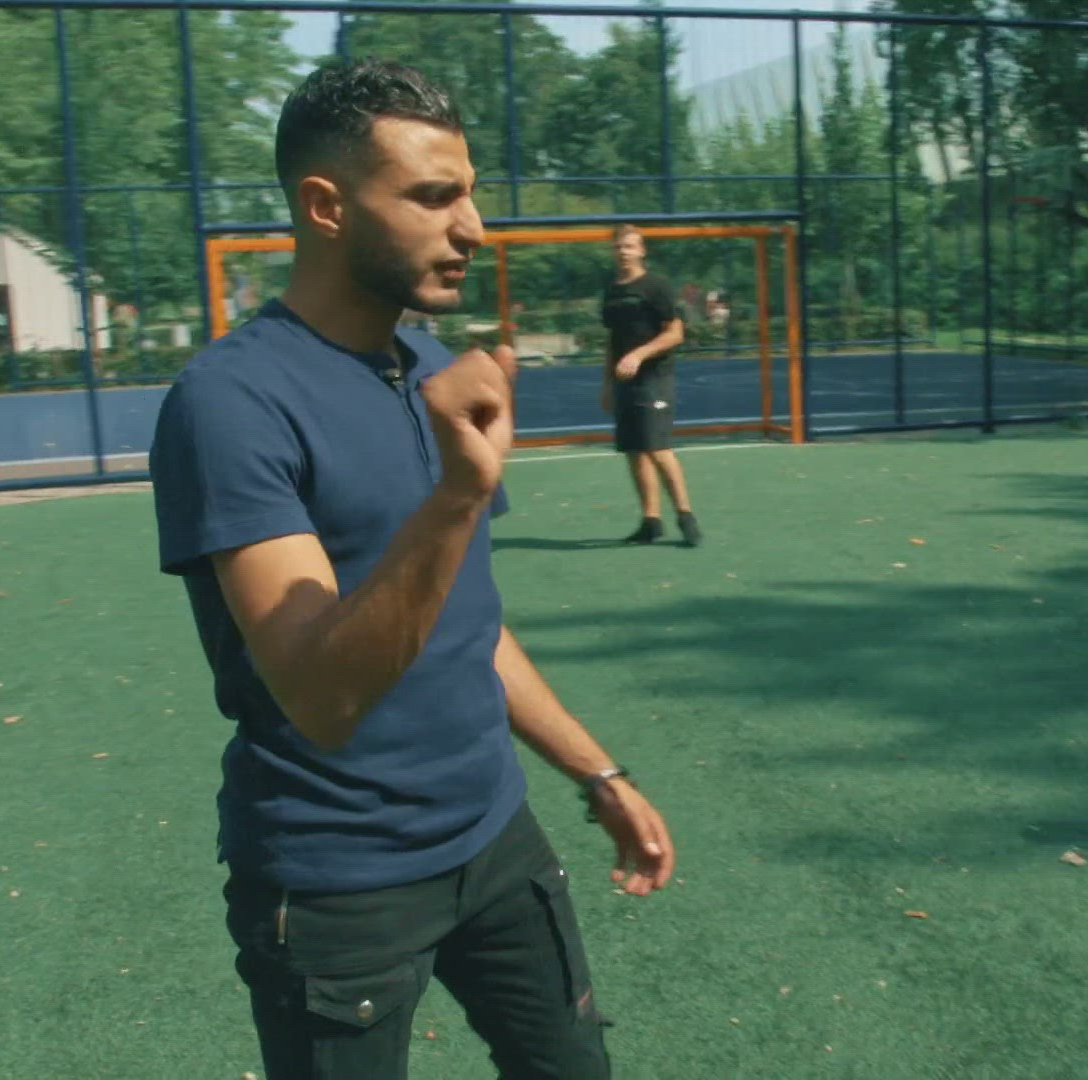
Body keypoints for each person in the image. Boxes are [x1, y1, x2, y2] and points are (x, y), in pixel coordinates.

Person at [148, 58, 675, 1079]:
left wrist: (594, 769)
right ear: (325, 205)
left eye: (468, 192)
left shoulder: (434, 371)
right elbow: (322, 695)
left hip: (494, 836)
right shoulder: (231, 403)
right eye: (434, 196)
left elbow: (467, 623)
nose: (473, 226)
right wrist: (455, 498)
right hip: (337, 879)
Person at [599, 224, 702, 546]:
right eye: (618, 247)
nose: (623, 252)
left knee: (657, 448)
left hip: (655, 379)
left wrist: (639, 356)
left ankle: (686, 517)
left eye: (630, 246)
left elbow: (675, 333)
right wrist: (606, 384)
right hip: (624, 382)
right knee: (634, 450)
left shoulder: (656, 286)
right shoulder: (612, 290)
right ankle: (651, 521)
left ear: (641, 250)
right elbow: (612, 341)